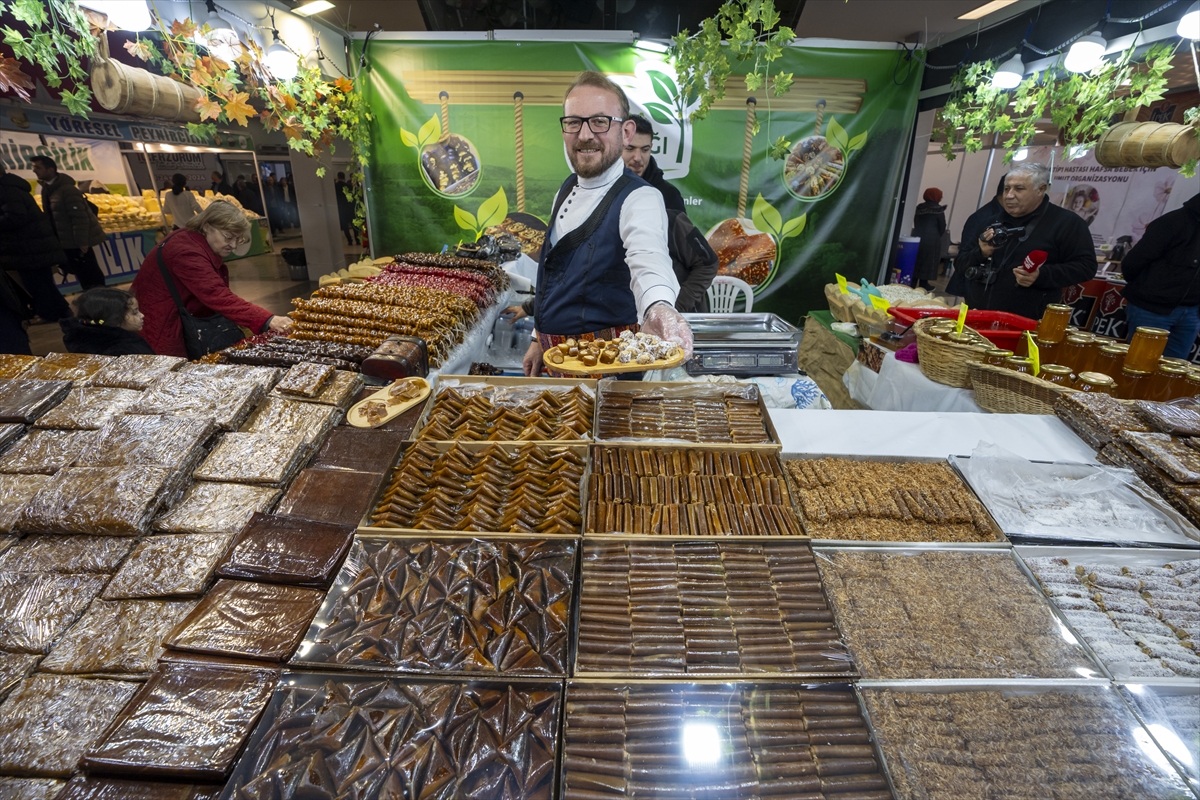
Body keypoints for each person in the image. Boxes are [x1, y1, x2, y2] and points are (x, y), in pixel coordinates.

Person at [521, 71, 692, 377]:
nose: (585, 135)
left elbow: (648, 258)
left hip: (608, 373)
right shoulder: (566, 188)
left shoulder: (641, 198)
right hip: (558, 364)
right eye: (573, 122)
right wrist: (538, 338)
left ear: (626, 132)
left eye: (600, 121)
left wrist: (658, 306)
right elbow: (554, 275)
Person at [131, 200, 293, 357]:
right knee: (175, 373)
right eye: (228, 237)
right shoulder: (186, 252)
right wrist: (267, 319)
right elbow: (217, 294)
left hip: (176, 316)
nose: (234, 245)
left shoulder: (192, 239)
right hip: (163, 322)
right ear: (207, 227)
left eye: (239, 239)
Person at [955, 162, 1096, 320]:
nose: (1009, 195)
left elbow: (1086, 267)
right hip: (979, 316)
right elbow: (960, 264)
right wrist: (980, 253)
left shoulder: (1067, 223)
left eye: (1019, 189)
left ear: (1041, 189)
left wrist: (1041, 275)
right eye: (1007, 188)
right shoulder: (989, 223)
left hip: (1028, 322)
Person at [1119, 192, 1200, 359]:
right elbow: (1133, 263)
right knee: (1139, 366)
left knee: (1172, 373)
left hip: (1191, 312)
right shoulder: (1173, 222)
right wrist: (1148, 291)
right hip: (1151, 309)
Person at [0, 163, 72, 322]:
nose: (33, 170)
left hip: (26, 246)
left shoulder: (6, 190)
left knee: (36, 283)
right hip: (33, 245)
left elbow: (16, 217)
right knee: (43, 282)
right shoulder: (13, 187)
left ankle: (49, 314)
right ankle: (62, 310)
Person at [30, 155, 107, 291]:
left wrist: (82, 242)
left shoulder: (67, 190)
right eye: (33, 167)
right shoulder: (47, 189)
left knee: (91, 274)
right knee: (83, 276)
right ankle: (92, 302)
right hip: (65, 242)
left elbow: (80, 217)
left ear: (51, 170)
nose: (34, 170)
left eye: (38, 167)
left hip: (76, 242)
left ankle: (104, 303)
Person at [948, 173, 1007, 298]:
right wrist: (982, 252)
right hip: (975, 283)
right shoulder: (983, 218)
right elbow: (964, 256)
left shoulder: (1006, 215)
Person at [60, 287, 155, 356]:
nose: (142, 315)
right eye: (134, 312)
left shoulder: (82, 340)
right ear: (114, 319)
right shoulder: (125, 350)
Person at [622, 114, 685, 213]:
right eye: (630, 149)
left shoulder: (670, 195)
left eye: (645, 150)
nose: (638, 158)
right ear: (616, 147)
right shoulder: (600, 188)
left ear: (651, 147)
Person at [912, 187, 947, 291]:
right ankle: (924, 284)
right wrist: (936, 235)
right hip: (932, 239)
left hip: (918, 236)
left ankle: (912, 282)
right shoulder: (938, 209)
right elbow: (942, 226)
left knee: (917, 260)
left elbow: (916, 221)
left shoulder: (919, 207)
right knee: (929, 261)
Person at [335, 172, 356, 246]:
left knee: (345, 226)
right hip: (349, 208)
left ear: (338, 177)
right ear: (344, 177)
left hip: (341, 208)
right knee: (354, 224)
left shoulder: (335, 187)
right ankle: (357, 239)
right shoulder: (348, 186)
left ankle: (349, 240)